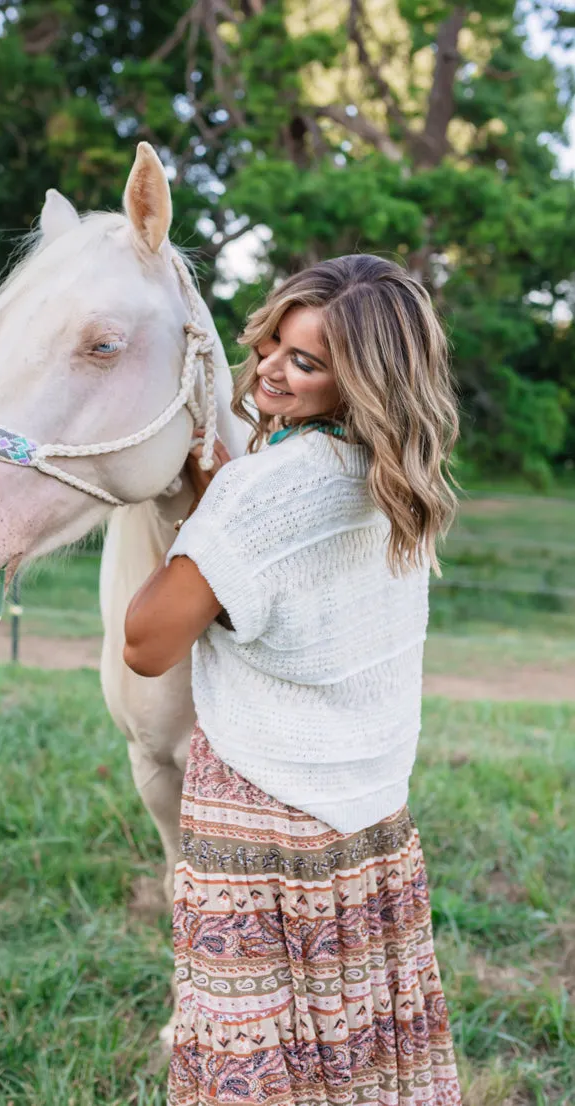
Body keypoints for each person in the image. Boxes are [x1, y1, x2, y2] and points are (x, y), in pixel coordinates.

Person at [124, 254, 462, 1105]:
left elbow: (145, 643)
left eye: (306, 360)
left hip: (262, 815)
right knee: (348, 1045)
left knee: (258, 1044)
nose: (271, 365)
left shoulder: (265, 492)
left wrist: (210, 518)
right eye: (273, 341)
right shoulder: (398, 485)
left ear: (364, 384)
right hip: (367, 817)